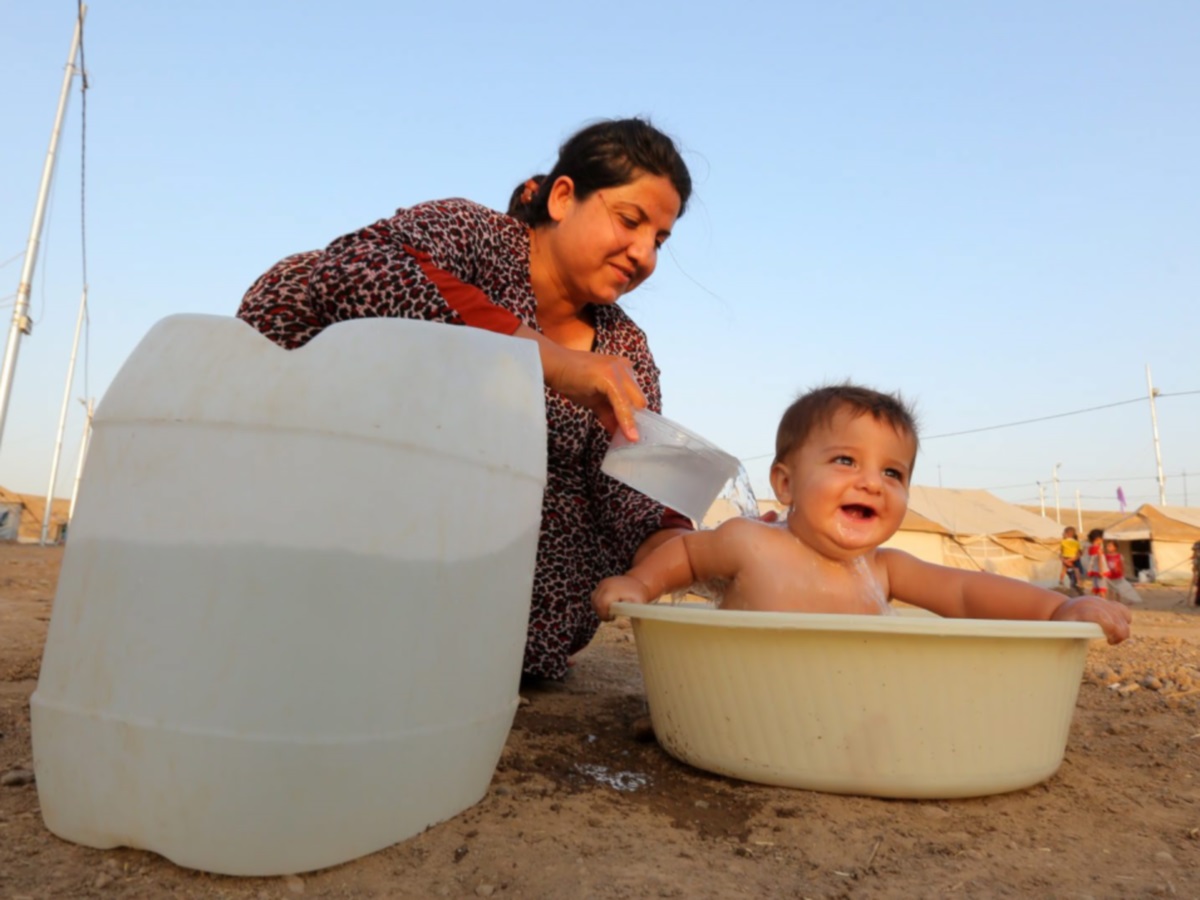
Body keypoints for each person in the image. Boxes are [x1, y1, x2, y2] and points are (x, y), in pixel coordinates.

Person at [238, 118, 697, 680]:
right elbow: (357, 268)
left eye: (660, 240)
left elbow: (630, 484)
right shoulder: (475, 235)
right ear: (561, 197)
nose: (644, 253)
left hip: (504, 635)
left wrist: (686, 547)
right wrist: (548, 361)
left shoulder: (623, 350)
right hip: (343, 557)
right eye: (630, 221)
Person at [592, 384, 1132, 645]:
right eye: (845, 461)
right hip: (745, 692)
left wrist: (1058, 610)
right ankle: (683, 717)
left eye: (893, 474)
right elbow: (685, 552)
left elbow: (968, 593)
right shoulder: (750, 543)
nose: (872, 482)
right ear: (785, 482)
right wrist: (638, 584)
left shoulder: (883, 569)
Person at [1104, 540, 1144, 606]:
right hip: (1109, 576)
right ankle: (1111, 603)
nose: (1108, 547)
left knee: (1118, 590)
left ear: (1115, 547)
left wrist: (1123, 574)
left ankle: (1118, 602)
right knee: (1111, 590)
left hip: (1118, 575)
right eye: (1107, 546)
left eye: (1110, 546)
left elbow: (1122, 565)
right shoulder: (1106, 556)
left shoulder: (1119, 556)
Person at [1084, 529, 1109, 598]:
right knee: (1102, 590)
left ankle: (1099, 604)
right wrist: (1101, 571)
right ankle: (1104, 605)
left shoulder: (1090, 548)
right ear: (1098, 539)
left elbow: (1090, 560)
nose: (1103, 540)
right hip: (1100, 570)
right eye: (1102, 538)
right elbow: (1100, 560)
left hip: (1094, 570)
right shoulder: (1098, 548)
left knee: (1097, 588)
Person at [1059, 526, 1084, 590]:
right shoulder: (1077, 542)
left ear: (1067, 534)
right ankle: (1079, 582)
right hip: (1073, 556)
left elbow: (1061, 550)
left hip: (1065, 557)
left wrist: (1064, 558)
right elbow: (1080, 551)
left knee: (1064, 570)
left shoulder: (1063, 542)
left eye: (1064, 533)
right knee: (1076, 569)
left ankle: (1061, 580)